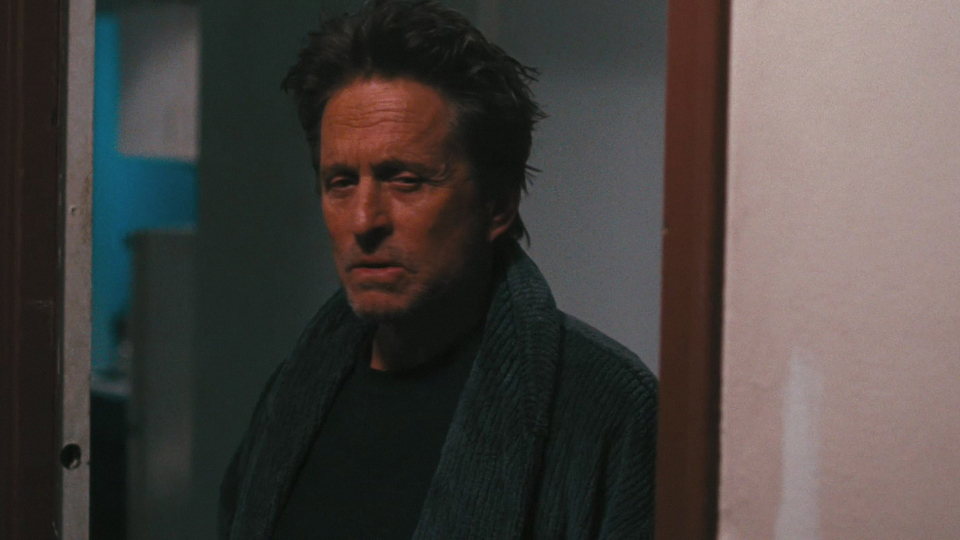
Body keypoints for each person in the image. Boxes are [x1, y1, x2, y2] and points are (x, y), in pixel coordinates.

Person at [218, 1, 658, 539]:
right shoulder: (293, 394)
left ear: (497, 204)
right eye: (341, 183)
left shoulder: (605, 410)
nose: (364, 220)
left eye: (405, 180)